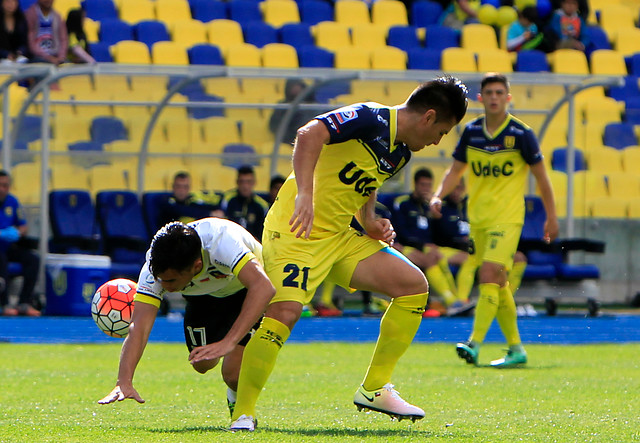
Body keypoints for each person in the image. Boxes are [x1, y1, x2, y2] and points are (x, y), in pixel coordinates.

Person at [191, 76, 469, 431]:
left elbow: (366, 184)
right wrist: (304, 194)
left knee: (413, 285)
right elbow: (309, 134)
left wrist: (369, 220)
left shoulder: (401, 152)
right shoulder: (371, 117)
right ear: (429, 117)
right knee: (286, 312)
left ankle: (373, 389)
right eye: (442, 131)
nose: (437, 141)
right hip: (297, 231)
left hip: (339, 236)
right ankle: (243, 411)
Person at [430, 73, 558, 368]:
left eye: (500, 92)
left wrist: (551, 216)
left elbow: (542, 178)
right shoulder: (472, 132)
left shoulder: (521, 134)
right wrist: (438, 195)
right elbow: (455, 171)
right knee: (498, 284)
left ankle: (474, 343)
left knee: (488, 275)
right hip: (479, 219)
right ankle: (516, 349)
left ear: (508, 98)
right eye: (489, 93)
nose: (495, 97)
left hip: (508, 218)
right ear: (481, 98)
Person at [98, 218, 276, 418]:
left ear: (197, 265)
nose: (164, 286)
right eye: (160, 280)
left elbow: (264, 287)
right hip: (202, 297)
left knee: (233, 374)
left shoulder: (222, 242)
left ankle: (240, 406)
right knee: (202, 364)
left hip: (247, 290)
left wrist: (229, 341)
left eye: (171, 280)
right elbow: (139, 326)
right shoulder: (155, 266)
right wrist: (124, 381)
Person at [392, 167, 468, 315]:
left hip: (428, 248)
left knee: (438, 256)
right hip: (406, 247)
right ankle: (451, 301)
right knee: (432, 259)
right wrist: (421, 245)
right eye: (423, 185)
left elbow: (439, 234)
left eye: (428, 185)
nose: (425, 189)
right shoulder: (403, 203)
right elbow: (401, 231)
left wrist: (434, 215)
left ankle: (455, 300)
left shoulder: (431, 205)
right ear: (415, 184)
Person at [0, 170, 40, 317]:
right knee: (1, 260)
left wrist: (17, 232)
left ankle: (24, 302)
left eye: (5, 185)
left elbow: (23, 225)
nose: (2, 189)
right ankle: (4, 304)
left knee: (33, 259)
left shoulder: (12, 201)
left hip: (8, 246)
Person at [157, 171, 224, 228]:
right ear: (173, 186)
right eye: (178, 186)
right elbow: (184, 210)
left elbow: (202, 206)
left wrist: (217, 211)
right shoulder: (166, 201)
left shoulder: (190, 200)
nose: (181, 190)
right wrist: (210, 213)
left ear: (189, 188)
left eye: (185, 187)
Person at [222, 166, 269, 242]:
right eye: (242, 182)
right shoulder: (228, 199)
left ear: (254, 183)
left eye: (248, 182)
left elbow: (265, 229)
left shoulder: (261, 205)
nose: (245, 186)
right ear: (237, 182)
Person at [269, 78, 318, 145]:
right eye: (293, 86)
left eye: (298, 86)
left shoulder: (313, 105)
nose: (296, 89)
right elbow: (275, 125)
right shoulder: (283, 106)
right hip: (290, 140)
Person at [25, 0, 67, 64]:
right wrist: (49, 58)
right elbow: (30, 42)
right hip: (37, 56)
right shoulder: (30, 14)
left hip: (55, 54)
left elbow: (63, 39)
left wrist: (61, 57)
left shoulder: (57, 16)